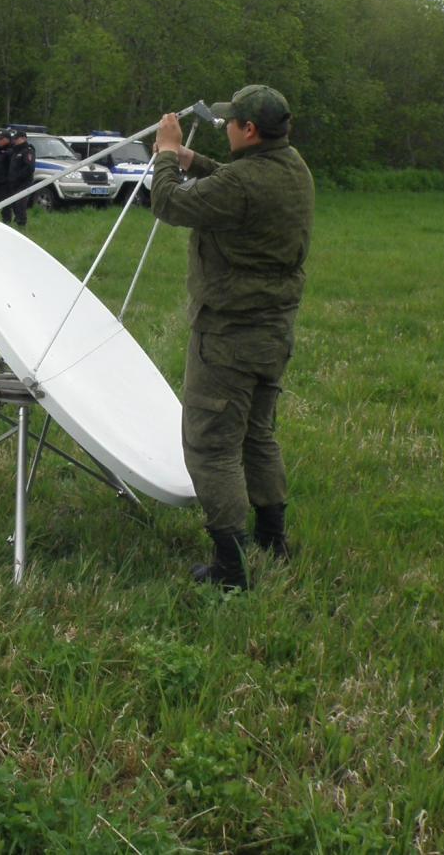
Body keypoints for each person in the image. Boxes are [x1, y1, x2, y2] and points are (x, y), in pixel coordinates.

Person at [149, 85, 314, 589]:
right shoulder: (292, 168)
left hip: (228, 336)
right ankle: (272, 538)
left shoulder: (245, 184)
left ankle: (230, 568)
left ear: (249, 130)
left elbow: (168, 204)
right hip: (272, 333)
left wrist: (165, 156)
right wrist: (194, 159)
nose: (224, 128)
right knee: (256, 435)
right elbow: (234, 183)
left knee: (211, 447)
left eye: (229, 124)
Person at [3, 126, 35, 227]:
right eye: (14, 139)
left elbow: (29, 168)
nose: (15, 141)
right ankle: (16, 221)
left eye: (17, 139)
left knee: (20, 204)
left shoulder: (28, 151)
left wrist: (18, 177)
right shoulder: (15, 151)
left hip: (23, 183)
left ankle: (21, 224)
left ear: (24, 139)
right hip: (13, 183)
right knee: (13, 204)